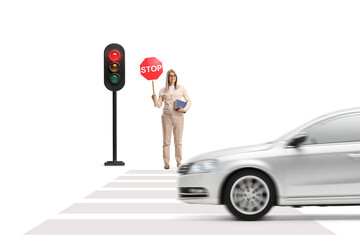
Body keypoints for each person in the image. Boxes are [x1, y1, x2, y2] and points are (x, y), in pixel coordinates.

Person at [152, 69, 191, 169]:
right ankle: (166, 162)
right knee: (166, 141)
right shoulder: (163, 90)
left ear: (176, 77)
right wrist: (155, 99)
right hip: (166, 117)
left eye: (174, 75)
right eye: (170, 76)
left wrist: (184, 109)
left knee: (178, 141)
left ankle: (178, 161)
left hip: (178, 117)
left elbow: (189, 101)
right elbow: (158, 105)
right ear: (167, 78)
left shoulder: (181, 88)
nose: (172, 77)